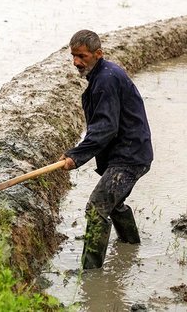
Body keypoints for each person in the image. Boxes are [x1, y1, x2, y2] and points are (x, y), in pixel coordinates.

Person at [59, 29, 153, 269]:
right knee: (114, 204)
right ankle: (131, 247)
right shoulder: (101, 75)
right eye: (73, 56)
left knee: (96, 208)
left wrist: (76, 156)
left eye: (82, 56)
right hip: (129, 151)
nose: (76, 62)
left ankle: (90, 273)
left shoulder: (106, 79)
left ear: (98, 54)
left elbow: (105, 128)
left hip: (129, 156)